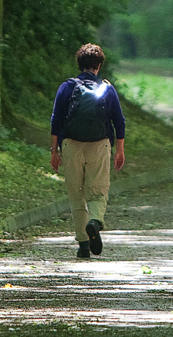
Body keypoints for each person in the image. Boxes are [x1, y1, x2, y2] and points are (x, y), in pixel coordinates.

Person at [50, 44, 127, 259]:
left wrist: (54, 151)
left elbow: (56, 120)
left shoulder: (67, 87)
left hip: (71, 145)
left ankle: (83, 245)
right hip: (99, 145)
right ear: (99, 65)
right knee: (98, 191)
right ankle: (94, 220)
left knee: (76, 196)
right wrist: (119, 150)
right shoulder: (107, 88)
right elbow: (118, 122)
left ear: (79, 64)